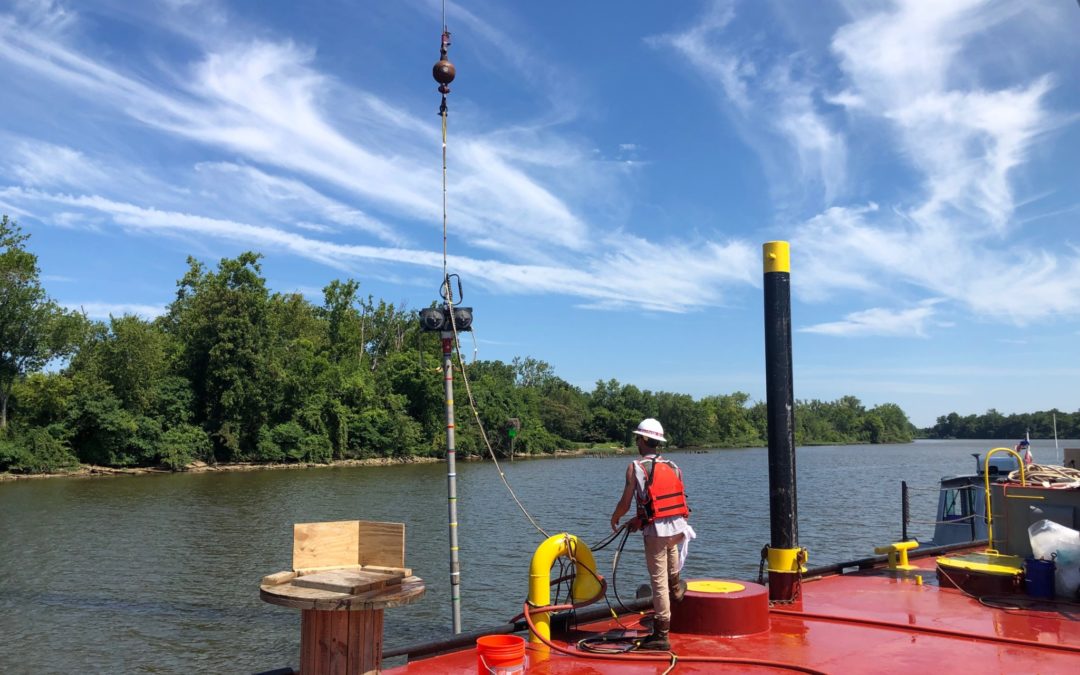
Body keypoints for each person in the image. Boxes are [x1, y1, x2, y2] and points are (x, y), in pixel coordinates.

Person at [610, 418, 694, 651]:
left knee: (657, 581)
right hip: (678, 528)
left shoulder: (636, 467)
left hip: (656, 532)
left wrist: (615, 517)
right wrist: (638, 520)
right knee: (671, 556)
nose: (636, 442)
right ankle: (676, 588)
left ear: (645, 440)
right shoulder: (674, 466)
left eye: (638, 438)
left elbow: (626, 502)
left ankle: (661, 634)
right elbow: (661, 505)